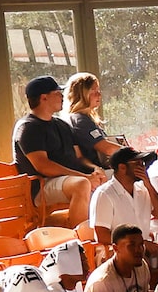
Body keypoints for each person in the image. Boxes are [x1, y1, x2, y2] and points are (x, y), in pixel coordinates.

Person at [14, 74, 97, 220]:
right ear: (43, 97)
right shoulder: (28, 127)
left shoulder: (62, 125)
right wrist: (83, 176)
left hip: (69, 179)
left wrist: (95, 170)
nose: (62, 97)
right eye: (58, 93)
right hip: (42, 185)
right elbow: (43, 166)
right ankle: (81, 238)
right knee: (82, 184)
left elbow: (78, 157)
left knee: (110, 178)